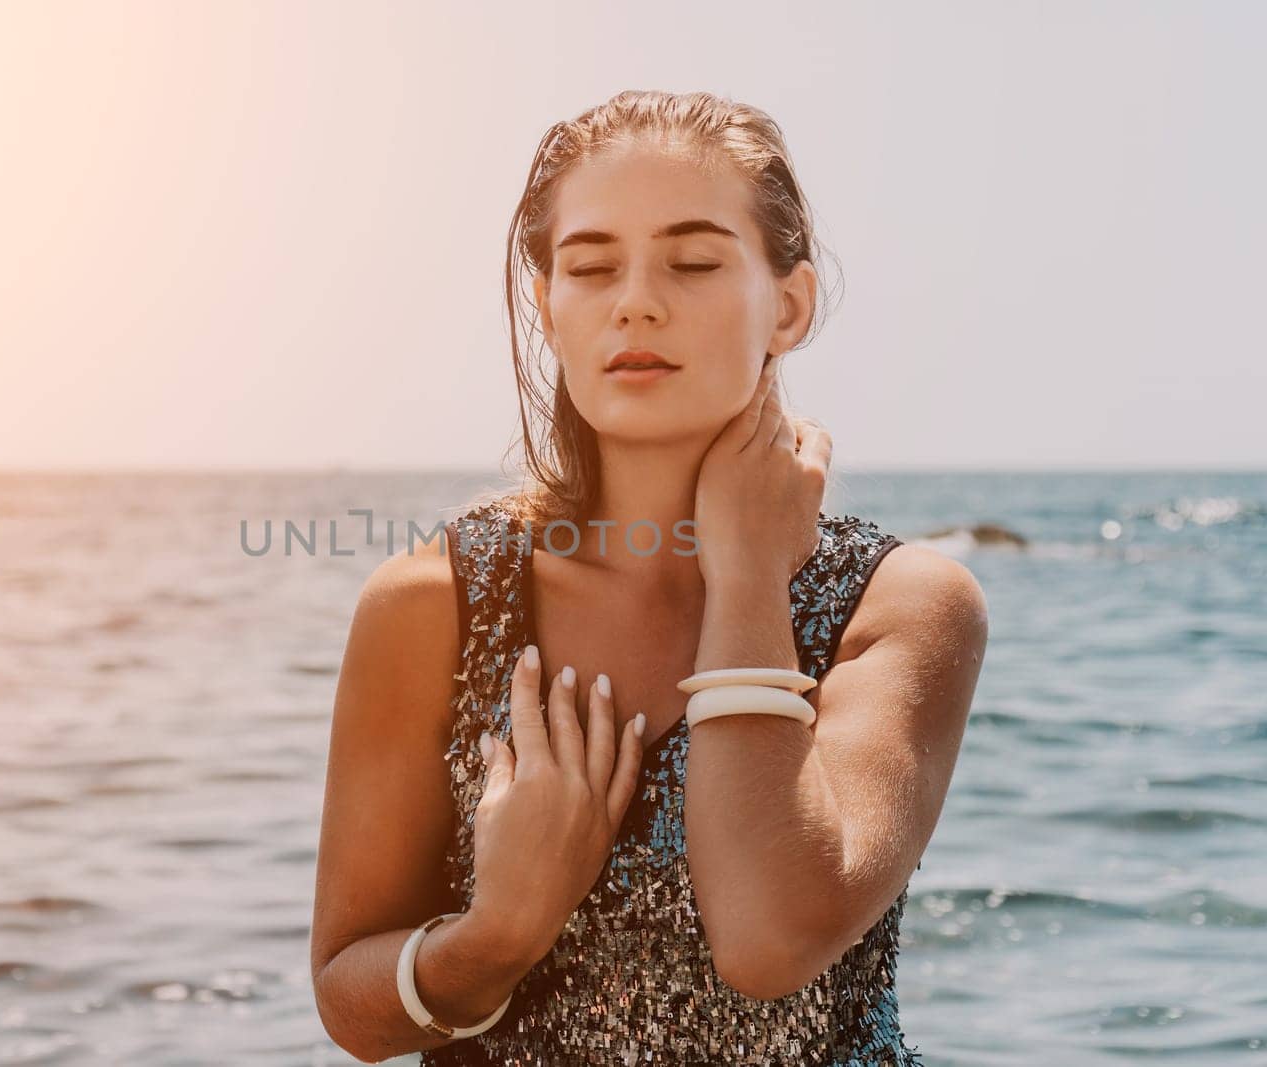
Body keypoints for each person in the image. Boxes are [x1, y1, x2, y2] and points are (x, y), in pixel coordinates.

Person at [310, 89, 988, 1065]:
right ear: (548, 306)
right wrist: (494, 934)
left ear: (787, 303)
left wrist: (748, 574)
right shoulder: (437, 604)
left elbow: (769, 938)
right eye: (590, 267)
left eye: (695, 260)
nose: (635, 298)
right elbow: (350, 1005)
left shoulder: (898, 605)